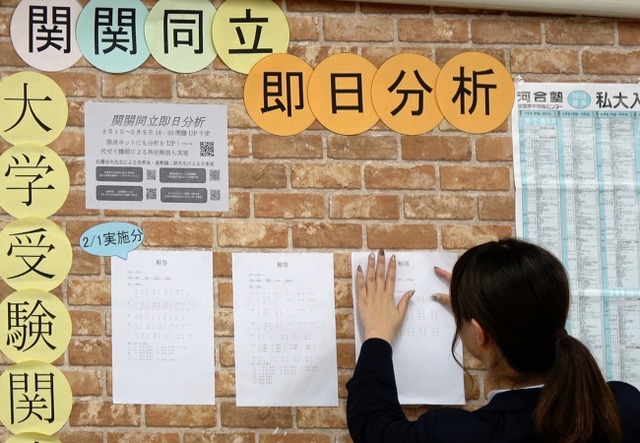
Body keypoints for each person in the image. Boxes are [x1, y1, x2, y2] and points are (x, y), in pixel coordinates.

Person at [347, 238, 640, 443]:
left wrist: (377, 335)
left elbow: (374, 427)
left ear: (480, 334)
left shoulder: (460, 434)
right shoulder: (624, 405)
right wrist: (482, 307)